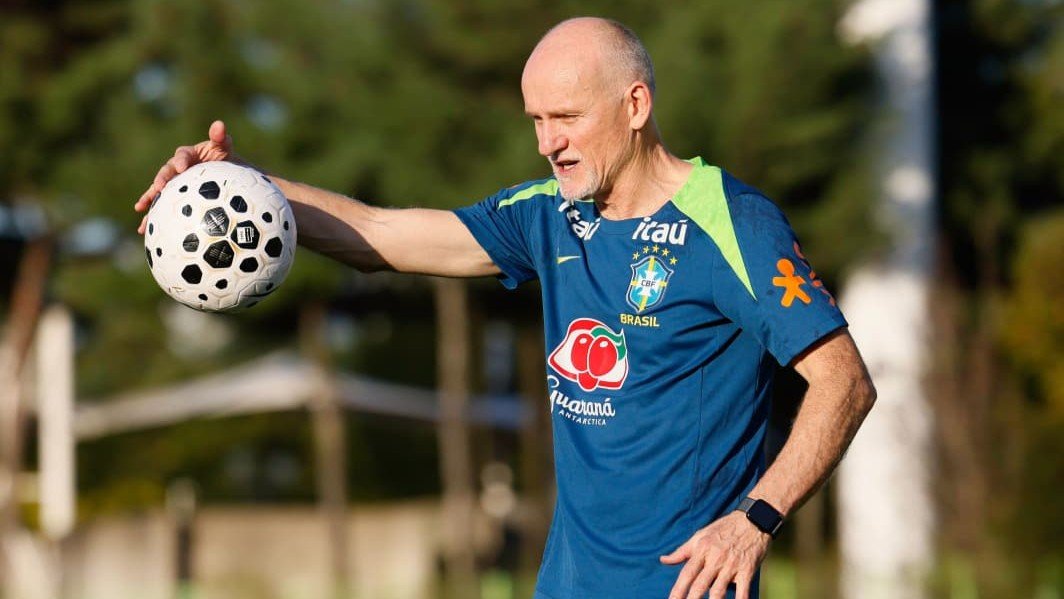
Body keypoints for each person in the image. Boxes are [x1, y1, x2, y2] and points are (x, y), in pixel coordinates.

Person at [135, 17, 875, 599]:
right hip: (567, 588)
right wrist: (244, 186)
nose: (548, 142)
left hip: (684, 588)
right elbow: (384, 235)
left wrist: (756, 519)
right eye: (535, 120)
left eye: (566, 117)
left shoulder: (732, 224)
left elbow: (844, 380)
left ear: (636, 105)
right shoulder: (548, 215)